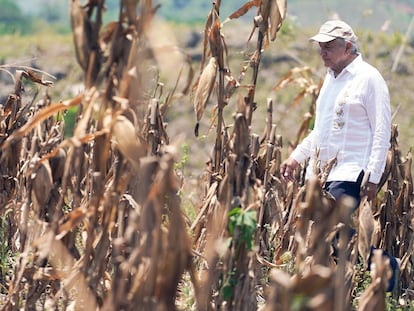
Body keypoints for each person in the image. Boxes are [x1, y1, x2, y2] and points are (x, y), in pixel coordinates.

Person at [279, 19, 398, 292]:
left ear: (347, 47)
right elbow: (320, 131)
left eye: (329, 47)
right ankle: (359, 278)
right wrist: (296, 157)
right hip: (321, 174)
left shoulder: (369, 78)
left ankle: (387, 269)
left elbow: (381, 132)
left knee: (327, 228)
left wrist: (373, 177)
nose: (323, 52)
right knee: (320, 231)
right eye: (320, 47)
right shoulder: (329, 81)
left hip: (352, 171)